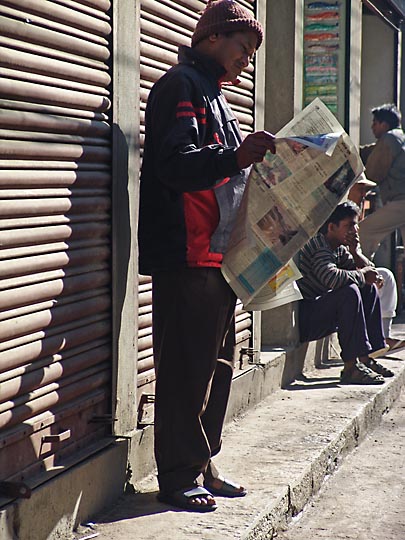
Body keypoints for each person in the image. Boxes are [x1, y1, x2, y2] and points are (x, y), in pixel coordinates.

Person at [138, 0, 275, 513]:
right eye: (244, 48)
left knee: (215, 367)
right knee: (184, 370)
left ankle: (202, 462)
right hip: (187, 255)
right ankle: (176, 476)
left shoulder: (216, 97)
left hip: (219, 257)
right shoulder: (181, 87)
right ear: (213, 38)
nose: (248, 60)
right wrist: (237, 156)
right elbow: (174, 165)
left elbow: (225, 173)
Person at [297, 201, 395, 385]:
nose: (355, 229)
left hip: (323, 313)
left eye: (355, 224)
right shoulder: (319, 244)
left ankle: (366, 359)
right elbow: (331, 278)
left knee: (367, 287)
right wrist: (362, 274)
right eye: (349, 225)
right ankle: (351, 367)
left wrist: (355, 252)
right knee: (349, 292)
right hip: (307, 318)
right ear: (331, 227)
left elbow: (368, 273)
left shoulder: (340, 248)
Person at [348, 175, 405, 353]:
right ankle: (377, 340)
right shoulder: (340, 218)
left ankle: (382, 337)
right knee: (374, 282)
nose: (364, 195)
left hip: (356, 272)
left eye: (366, 191)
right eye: (360, 190)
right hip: (342, 278)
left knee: (385, 276)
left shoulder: (356, 216)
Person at [358, 104, 405, 259]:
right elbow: (370, 151)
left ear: (384, 125)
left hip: (400, 202)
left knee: (363, 231)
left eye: (375, 123)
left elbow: (373, 174)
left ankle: (362, 273)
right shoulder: (399, 138)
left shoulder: (389, 139)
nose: (372, 127)